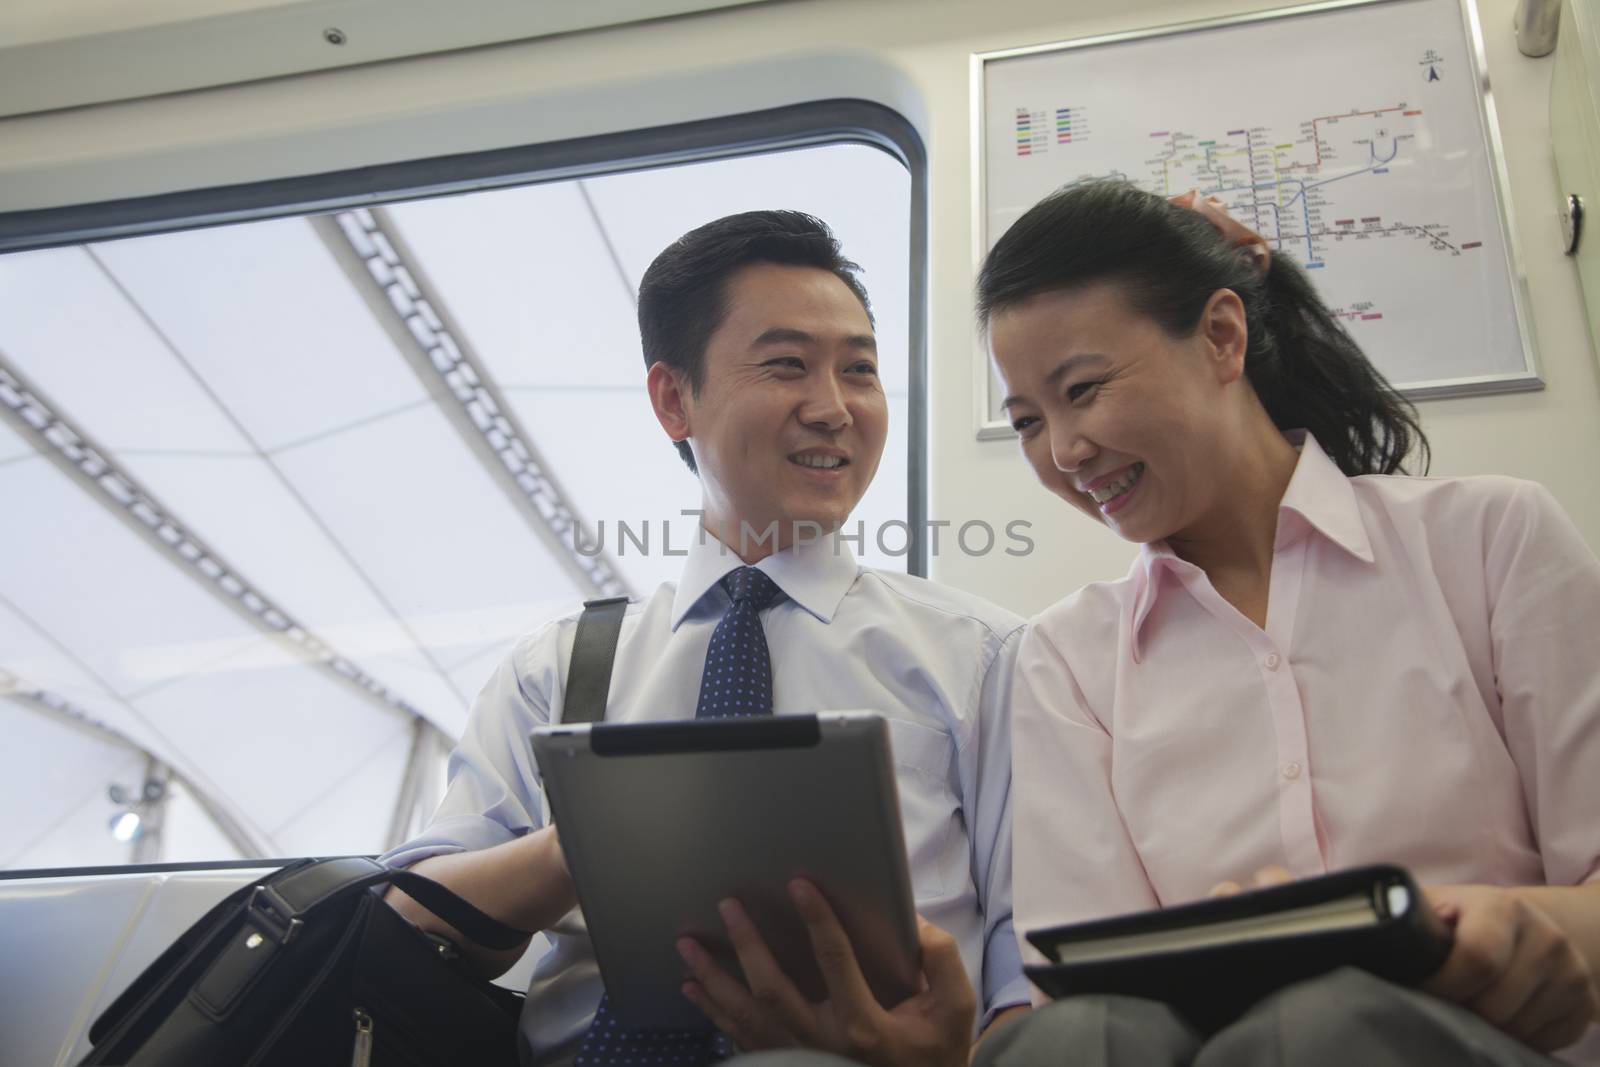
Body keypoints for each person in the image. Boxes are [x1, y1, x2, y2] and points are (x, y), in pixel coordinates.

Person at [381, 210, 1031, 1067]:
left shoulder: (982, 657)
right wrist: (593, 842)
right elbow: (409, 914)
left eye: (861, 370)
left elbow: (1029, 973)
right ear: (673, 399)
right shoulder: (563, 669)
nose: (835, 408)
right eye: (788, 365)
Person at [973, 179, 1600, 1065]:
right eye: (1029, 421)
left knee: (1324, 1026)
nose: (1066, 452)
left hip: (1474, 1038)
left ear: (1222, 338)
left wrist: (1511, 922)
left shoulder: (1490, 541)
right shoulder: (1067, 657)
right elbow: (1092, 980)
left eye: (1083, 389)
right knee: (1071, 1039)